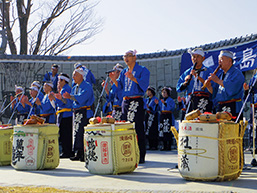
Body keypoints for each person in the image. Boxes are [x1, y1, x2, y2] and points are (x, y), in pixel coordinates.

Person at [109, 50, 150, 164]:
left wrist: (133, 79)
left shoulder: (143, 70)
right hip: (125, 102)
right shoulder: (123, 72)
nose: (126, 58)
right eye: (125, 56)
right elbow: (120, 88)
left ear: (135, 57)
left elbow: (144, 85)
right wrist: (113, 81)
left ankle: (141, 154)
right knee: (126, 128)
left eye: (129, 56)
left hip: (136, 100)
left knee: (138, 128)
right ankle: (128, 152)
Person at [63, 68, 95, 161]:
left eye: (75, 75)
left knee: (82, 131)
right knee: (76, 132)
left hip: (84, 111)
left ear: (81, 76)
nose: (73, 77)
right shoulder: (74, 87)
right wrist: (62, 98)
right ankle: (78, 151)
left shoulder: (87, 86)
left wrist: (71, 97)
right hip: (76, 112)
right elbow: (70, 102)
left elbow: (82, 98)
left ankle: (84, 153)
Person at [204, 50, 245, 121]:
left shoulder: (237, 73)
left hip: (233, 106)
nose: (219, 62)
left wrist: (217, 81)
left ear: (229, 61)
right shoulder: (220, 75)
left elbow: (232, 88)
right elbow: (215, 92)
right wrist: (209, 86)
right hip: (221, 107)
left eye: (221, 59)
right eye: (219, 60)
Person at [176, 48, 213, 114]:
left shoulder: (208, 71)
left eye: (198, 56)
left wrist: (197, 77)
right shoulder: (187, 72)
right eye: (193, 57)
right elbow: (178, 88)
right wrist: (185, 83)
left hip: (204, 101)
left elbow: (213, 88)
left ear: (203, 58)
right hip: (191, 102)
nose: (195, 59)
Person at [51, 73, 73, 158]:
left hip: (66, 114)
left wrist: (59, 99)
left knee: (66, 133)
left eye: (60, 80)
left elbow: (67, 102)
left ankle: (67, 151)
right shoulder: (64, 89)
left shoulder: (66, 89)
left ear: (64, 81)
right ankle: (65, 150)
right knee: (64, 133)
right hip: (63, 114)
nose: (58, 82)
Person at [243, 76, 257, 152]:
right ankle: (253, 145)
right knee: (253, 126)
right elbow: (248, 96)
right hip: (254, 105)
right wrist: (246, 90)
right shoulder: (254, 78)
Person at [144, 86, 159, 150]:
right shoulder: (147, 99)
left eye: (149, 91)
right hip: (147, 115)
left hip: (153, 115)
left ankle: (154, 145)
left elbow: (157, 108)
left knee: (153, 130)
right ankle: (150, 145)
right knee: (148, 129)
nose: (147, 93)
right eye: (147, 91)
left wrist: (150, 108)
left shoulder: (155, 99)